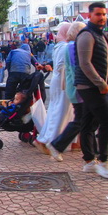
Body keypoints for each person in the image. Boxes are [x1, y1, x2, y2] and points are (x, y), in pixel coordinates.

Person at [74, 2, 108, 179]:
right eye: (98, 14)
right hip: (91, 86)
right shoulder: (87, 35)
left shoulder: (100, 35)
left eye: (104, 14)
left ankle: (89, 161)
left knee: (88, 122)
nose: (102, 17)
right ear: (90, 15)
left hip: (94, 85)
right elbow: (85, 63)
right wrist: (101, 83)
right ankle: (103, 161)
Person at [33, 23, 73, 158]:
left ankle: (47, 138)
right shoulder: (65, 47)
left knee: (57, 110)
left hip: (59, 80)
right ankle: (49, 140)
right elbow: (62, 66)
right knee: (60, 111)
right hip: (63, 82)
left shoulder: (60, 46)